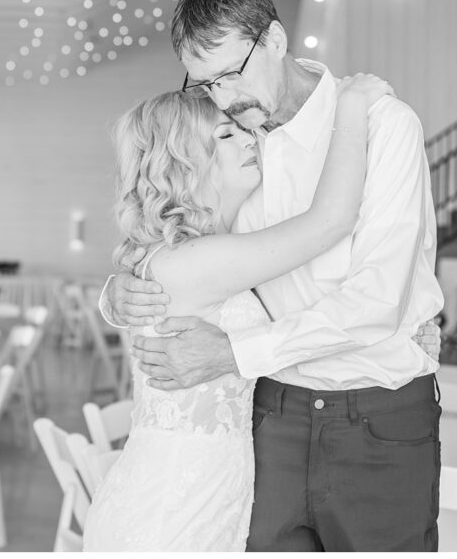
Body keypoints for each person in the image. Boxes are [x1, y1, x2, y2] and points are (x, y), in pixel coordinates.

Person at [101, 0, 445, 551]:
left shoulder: (385, 127)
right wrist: (120, 292)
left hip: (378, 415)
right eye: (206, 84)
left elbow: (376, 301)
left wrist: (232, 352)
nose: (225, 99)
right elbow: (183, 241)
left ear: (277, 41)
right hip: (270, 419)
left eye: (231, 74)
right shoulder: (236, 146)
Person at [83, 74, 392, 550]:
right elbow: (330, 221)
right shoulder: (196, 261)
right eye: (226, 135)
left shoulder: (196, 254)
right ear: (185, 163)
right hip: (173, 507)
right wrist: (350, 108)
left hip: (207, 490)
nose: (249, 139)